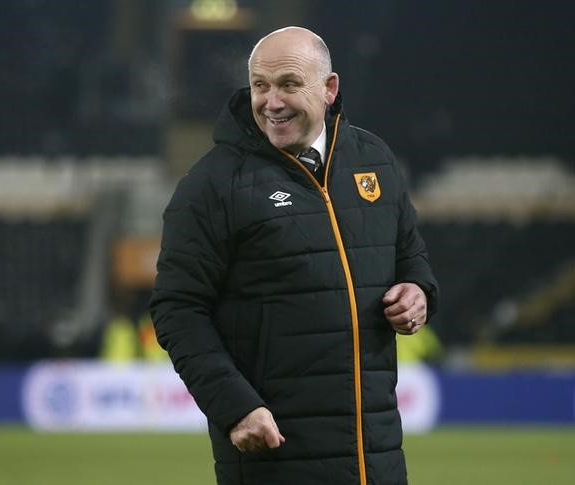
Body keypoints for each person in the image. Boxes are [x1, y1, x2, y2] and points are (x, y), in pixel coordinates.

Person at [150, 26, 439, 485]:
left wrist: (418, 291)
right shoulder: (211, 186)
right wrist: (234, 407)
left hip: (378, 456)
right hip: (278, 456)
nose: (272, 101)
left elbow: (411, 257)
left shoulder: (375, 162)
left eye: (288, 84)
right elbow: (177, 307)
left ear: (329, 89)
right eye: (260, 86)